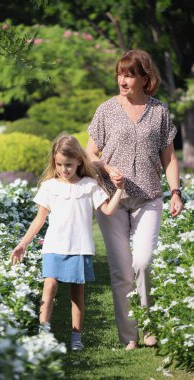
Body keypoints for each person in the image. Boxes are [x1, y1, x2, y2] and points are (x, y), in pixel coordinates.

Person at [86, 49, 183, 350]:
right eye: (120, 74)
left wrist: (176, 191)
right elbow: (90, 154)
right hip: (110, 199)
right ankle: (129, 336)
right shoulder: (105, 110)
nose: (122, 80)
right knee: (121, 270)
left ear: (145, 78)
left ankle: (150, 326)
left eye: (129, 74)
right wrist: (107, 167)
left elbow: (169, 159)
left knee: (144, 262)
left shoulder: (159, 112)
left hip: (148, 197)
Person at [10, 133, 124, 351]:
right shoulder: (49, 186)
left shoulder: (90, 186)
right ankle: (44, 334)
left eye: (69, 165)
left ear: (79, 161)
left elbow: (108, 210)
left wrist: (119, 189)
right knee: (49, 287)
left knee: (76, 294)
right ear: (54, 161)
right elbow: (39, 219)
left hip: (80, 248)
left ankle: (76, 337)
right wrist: (23, 243)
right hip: (53, 246)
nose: (64, 169)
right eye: (60, 164)